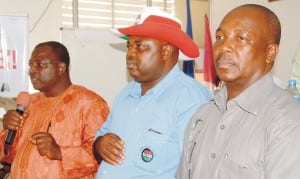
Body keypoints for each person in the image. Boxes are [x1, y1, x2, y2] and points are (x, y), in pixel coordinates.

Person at [176, 4, 300, 179]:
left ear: (270, 53)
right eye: (219, 37)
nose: (224, 46)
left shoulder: (288, 122)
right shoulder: (202, 116)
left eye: (240, 38)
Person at [93, 7, 212, 179]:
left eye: (139, 46)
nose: (130, 54)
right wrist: (100, 144)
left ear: (165, 51)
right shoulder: (126, 93)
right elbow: (101, 136)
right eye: (129, 46)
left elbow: (197, 170)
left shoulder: (191, 100)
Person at [0, 41, 110, 178]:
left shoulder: (89, 103)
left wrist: (59, 152)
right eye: (31, 65)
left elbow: (101, 157)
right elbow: (7, 157)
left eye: (40, 65)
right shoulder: (30, 103)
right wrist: (8, 132)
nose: (32, 70)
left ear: (61, 68)